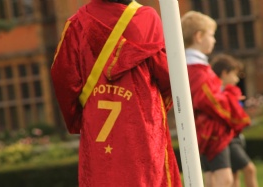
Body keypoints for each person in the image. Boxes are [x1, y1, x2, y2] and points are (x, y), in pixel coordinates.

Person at [51, 0, 182, 186]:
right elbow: (168, 74)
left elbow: (63, 77)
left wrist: (80, 117)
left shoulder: (77, 24)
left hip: (98, 128)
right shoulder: (147, 18)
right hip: (142, 125)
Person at [181, 11, 251, 187]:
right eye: (211, 35)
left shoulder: (194, 67)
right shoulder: (197, 69)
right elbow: (208, 101)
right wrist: (231, 96)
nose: (214, 40)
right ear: (198, 36)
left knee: (213, 177)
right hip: (211, 132)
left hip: (205, 130)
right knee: (223, 179)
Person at [211, 54, 259, 187]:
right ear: (224, 73)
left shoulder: (230, 92)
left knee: (234, 175)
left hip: (235, 136)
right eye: (234, 75)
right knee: (249, 169)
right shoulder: (216, 92)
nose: (237, 79)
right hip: (227, 138)